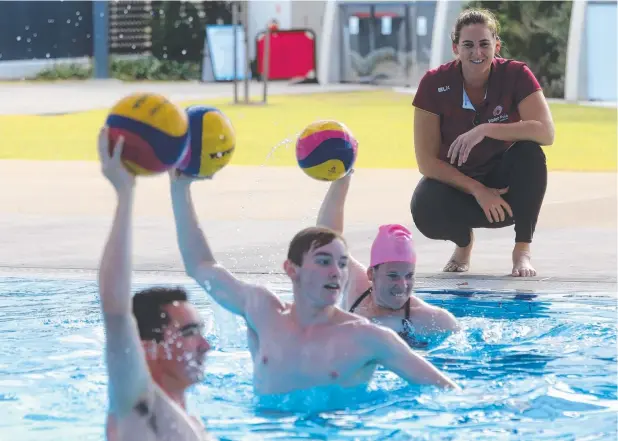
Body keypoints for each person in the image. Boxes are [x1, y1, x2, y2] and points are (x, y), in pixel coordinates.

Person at [169, 171, 460, 396]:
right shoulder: (262, 310)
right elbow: (201, 266)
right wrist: (179, 187)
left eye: (343, 264)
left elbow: (447, 391)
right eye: (323, 261)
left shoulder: (369, 338)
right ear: (291, 269)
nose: (336, 272)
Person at [410, 8, 555, 277]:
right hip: (461, 187)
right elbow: (426, 162)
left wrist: (487, 129)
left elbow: (546, 133)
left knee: (530, 153)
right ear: (455, 48)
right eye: (468, 45)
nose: (477, 53)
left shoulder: (516, 74)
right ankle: (463, 244)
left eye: (484, 44)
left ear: (496, 46)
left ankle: (522, 251)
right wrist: (477, 189)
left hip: (505, 192)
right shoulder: (433, 83)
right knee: (424, 208)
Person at [96, 127, 215, 441]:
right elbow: (116, 311)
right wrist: (125, 193)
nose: (206, 346)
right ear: (147, 346)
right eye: (189, 334)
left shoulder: (194, 424)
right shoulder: (139, 405)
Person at [316, 171, 460, 344]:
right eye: (393, 276)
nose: (402, 285)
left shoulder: (433, 320)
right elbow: (327, 238)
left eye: (408, 276)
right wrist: (343, 177)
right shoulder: (356, 287)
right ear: (371, 274)